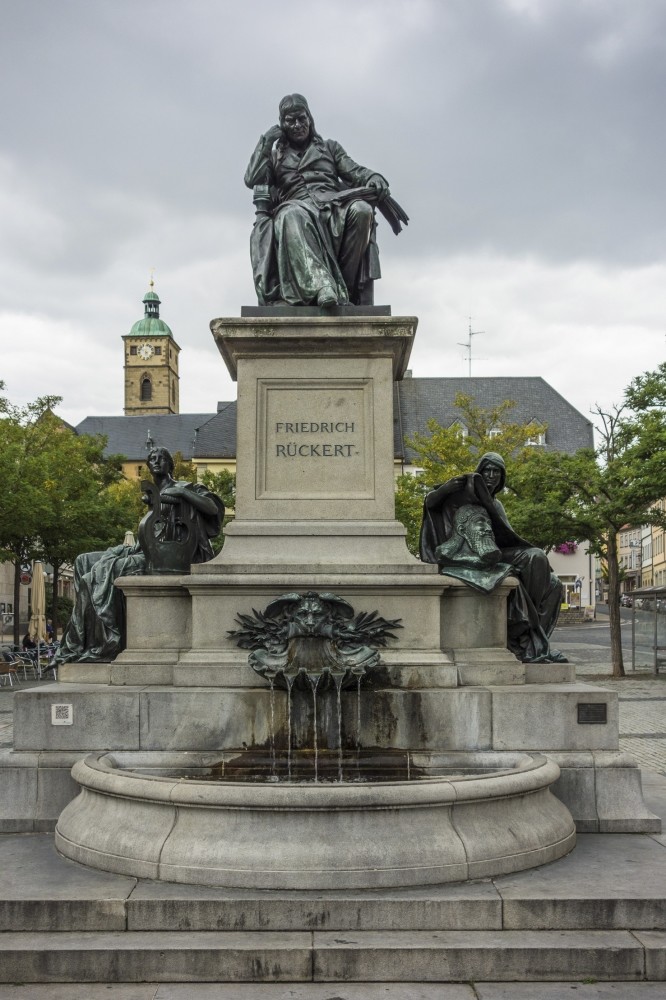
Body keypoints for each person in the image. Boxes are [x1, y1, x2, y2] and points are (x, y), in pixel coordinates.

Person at [57, 447, 224, 664]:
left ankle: (107, 641)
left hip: (170, 555)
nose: (156, 462)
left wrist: (182, 494)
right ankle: (85, 639)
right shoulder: (153, 493)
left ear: (170, 465)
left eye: (161, 459)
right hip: (144, 548)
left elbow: (212, 509)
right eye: (151, 459)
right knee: (83, 561)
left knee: (98, 574)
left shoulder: (185, 487)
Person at [244, 94, 406, 307]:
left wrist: (373, 177)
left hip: (334, 205)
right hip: (297, 207)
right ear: (282, 124)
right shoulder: (275, 156)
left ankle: (344, 291)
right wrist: (265, 144)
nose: (297, 125)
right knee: (290, 215)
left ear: (310, 118)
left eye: (302, 118)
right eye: (290, 121)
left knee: (362, 210)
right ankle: (323, 287)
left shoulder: (330, 148)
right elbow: (252, 179)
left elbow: (354, 170)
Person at [420, 452, 566, 664]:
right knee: (536, 558)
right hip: (464, 551)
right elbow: (430, 503)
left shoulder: (497, 506)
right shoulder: (456, 495)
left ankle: (531, 640)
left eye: (496, 471)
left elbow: (506, 536)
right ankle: (528, 638)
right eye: (487, 470)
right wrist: (445, 489)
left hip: (493, 550)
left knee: (551, 580)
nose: (490, 475)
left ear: (502, 477)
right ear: (479, 471)